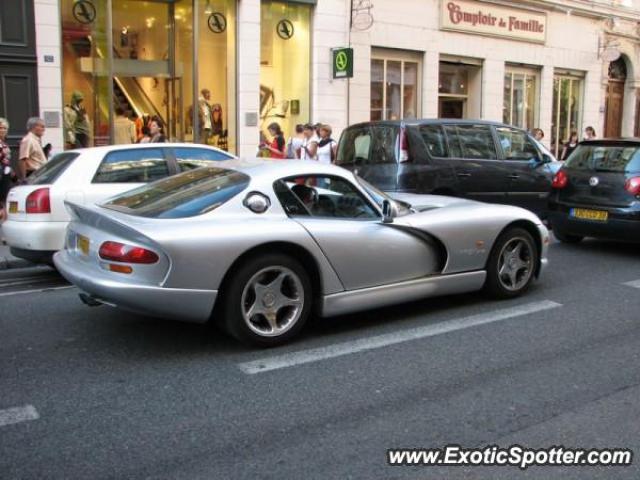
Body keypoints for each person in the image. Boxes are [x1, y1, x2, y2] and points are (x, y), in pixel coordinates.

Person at [18, 117, 47, 182]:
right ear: (35, 127)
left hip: (39, 174)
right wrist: (24, 178)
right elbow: (23, 159)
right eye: (42, 127)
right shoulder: (28, 140)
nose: (44, 129)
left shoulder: (35, 140)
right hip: (33, 175)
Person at [0, 118, 14, 222]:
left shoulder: (3, 143)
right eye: (1, 128)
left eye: (5, 128)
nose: (3, 130)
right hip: (1, 174)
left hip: (6, 174)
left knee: (5, 200)